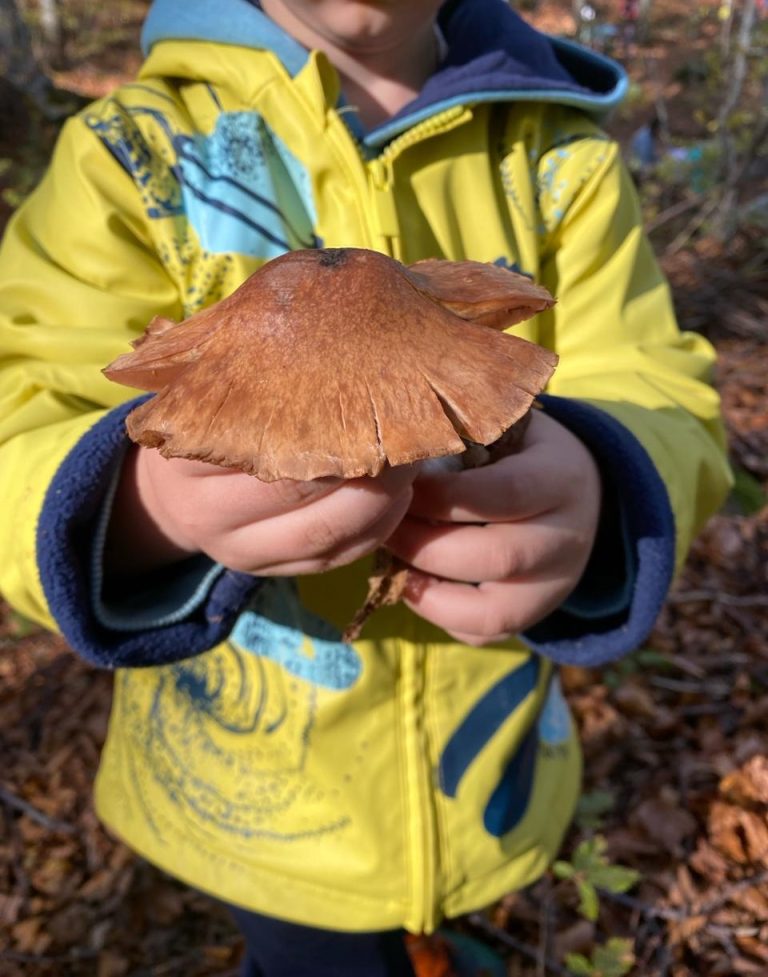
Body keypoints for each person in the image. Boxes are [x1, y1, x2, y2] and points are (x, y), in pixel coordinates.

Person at [0, 0, 732, 974]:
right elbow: (23, 400)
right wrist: (141, 509)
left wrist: (606, 483)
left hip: (489, 765)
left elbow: (653, 378)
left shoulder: (561, 158)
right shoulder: (129, 156)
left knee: (435, 931)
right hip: (260, 808)